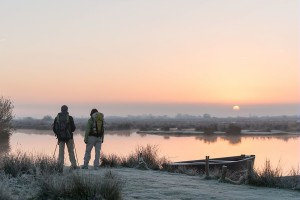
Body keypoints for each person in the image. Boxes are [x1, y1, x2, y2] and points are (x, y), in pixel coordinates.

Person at [53, 105, 78, 170]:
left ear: (61, 110)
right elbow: (73, 128)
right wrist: (69, 132)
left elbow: (54, 128)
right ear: (67, 110)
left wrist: (58, 134)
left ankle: (60, 165)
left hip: (60, 138)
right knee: (71, 151)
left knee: (61, 152)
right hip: (69, 137)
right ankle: (74, 165)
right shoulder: (70, 118)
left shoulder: (57, 118)